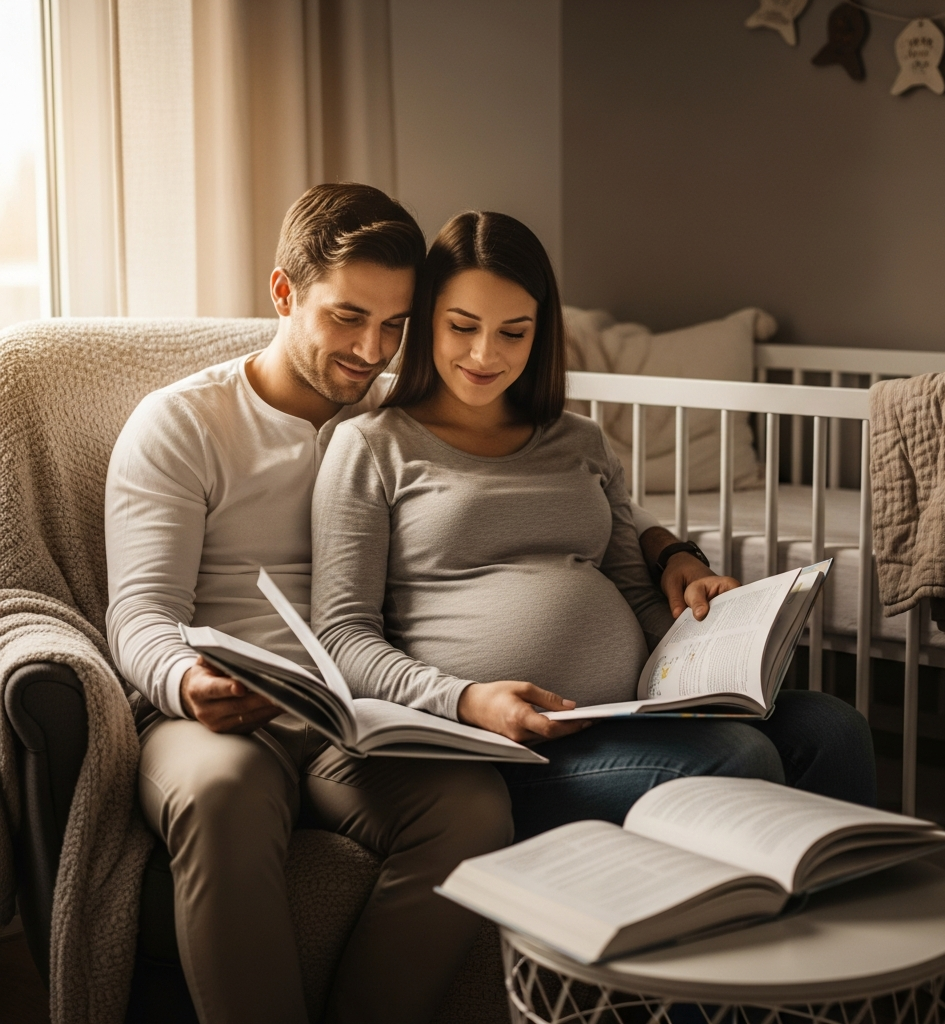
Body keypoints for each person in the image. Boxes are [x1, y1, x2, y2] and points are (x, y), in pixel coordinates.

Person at [310, 210, 877, 844]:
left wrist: (714, 656)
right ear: (426, 322)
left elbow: (633, 588)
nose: (485, 354)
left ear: (540, 332)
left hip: (630, 714)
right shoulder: (371, 445)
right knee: (737, 760)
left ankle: (834, 906)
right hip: (497, 747)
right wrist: (465, 699)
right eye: (462, 327)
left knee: (833, 730)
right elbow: (341, 634)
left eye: (513, 332)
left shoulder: (580, 440)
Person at [105, 184, 526, 1024]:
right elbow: (141, 613)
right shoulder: (184, 423)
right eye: (347, 317)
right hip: (214, 718)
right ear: (283, 292)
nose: (372, 349)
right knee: (223, 793)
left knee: (474, 811)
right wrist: (188, 682)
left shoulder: (400, 420)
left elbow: (553, 470)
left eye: (396, 324)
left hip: (355, 720)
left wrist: (661, 546)